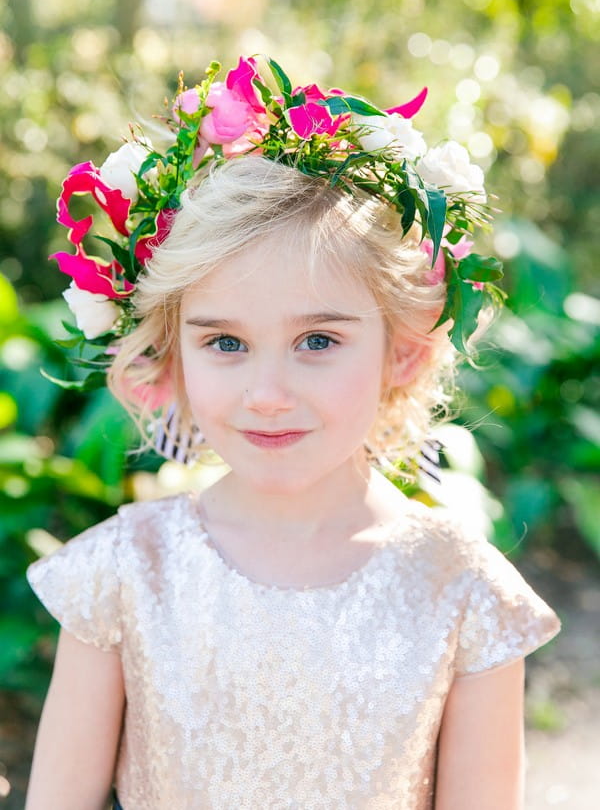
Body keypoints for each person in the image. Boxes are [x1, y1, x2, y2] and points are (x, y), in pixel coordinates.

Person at [25, 57, 560, 810]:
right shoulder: (124, 574)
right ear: (171, 354)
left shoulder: (462, 592)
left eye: (317, 341)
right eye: (226, 343)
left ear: (400, 351)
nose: (268, 395)